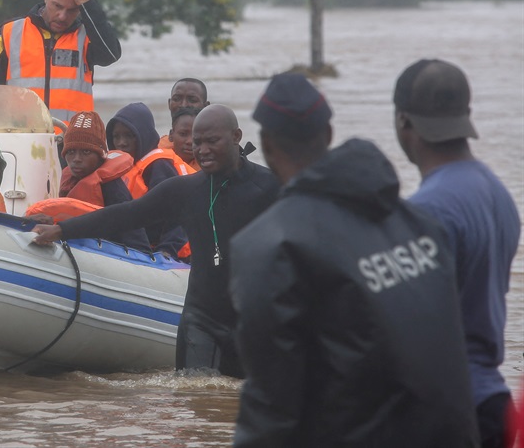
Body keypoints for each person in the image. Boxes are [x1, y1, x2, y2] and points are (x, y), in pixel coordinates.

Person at [230, 73, 479, 448]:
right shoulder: (419, 223)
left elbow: (270, 407)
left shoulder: (272, 245)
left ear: (265, 144)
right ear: (329, 134)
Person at [33, 104, 279, 376]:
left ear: (236, 136)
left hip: (251, 319)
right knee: (198, 400)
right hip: (202, 320)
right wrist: (61, 230)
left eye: (212, 141)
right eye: (197, 143)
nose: (203, 150)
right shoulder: (185, 191)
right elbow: (126, 215)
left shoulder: (269, 187)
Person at [393, 58, 520, 448]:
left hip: (445, 410)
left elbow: (406, 325)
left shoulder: (428, 210)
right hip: (491, 401)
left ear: (403, 122)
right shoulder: (497, 193)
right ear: (466, 114)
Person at [0, 0, 121, 123]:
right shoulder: (9, 33)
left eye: (72, 10)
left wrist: (88, 3)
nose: (62, 16)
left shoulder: (86, 37)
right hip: (21, 141)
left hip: (72, 143)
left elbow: (110, 55)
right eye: (57, 6)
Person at [26, 110, 149, 250]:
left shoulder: (112, 188)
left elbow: (137, 240)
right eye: (71, 152)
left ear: (101, 155)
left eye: (86, 152)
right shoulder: (68, 180)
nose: (77, 159)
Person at [107, 102, 190, 256]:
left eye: (129, 135)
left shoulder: (158, 165)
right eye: (116, 136)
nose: (121, 143)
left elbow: (179, 212)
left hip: (178, 252)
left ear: (143, 134)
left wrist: (167, 250)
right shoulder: (120, 168)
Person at [159, 78, 210, 150]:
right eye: (176, 99)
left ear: (206, 107)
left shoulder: (214, 152)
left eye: (192, 100)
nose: (183, 105)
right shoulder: (156, 148)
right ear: (169, 103)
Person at [168, 107, 201, 172]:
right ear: (171, 135)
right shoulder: (158, 164)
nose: (190, 141)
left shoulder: (212, 169)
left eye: (196, 135)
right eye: (183, 134)